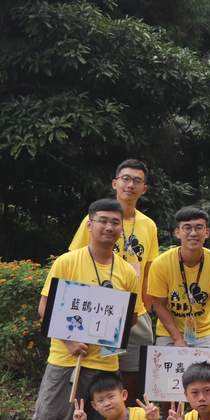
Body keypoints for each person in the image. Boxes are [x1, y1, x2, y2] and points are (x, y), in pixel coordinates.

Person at [13, 199, 141, 420]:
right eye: (103, 221)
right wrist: (70, 340)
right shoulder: (67, 262)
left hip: (105, 364)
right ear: (89, 224)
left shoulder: (126, 271)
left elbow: (132, 319)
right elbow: (45, 308)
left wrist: (113, 332)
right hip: (66, 361)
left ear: (121, 230)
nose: (109, 227)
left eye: (115, 223)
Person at [68, 160, 157, 389]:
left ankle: (129, 419)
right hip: (98, 308)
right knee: (98, 372)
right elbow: (74, 263)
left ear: (144, 188)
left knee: (133, 372)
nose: (130, 185)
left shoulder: (149, 225)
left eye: (137, 181)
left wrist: (143, 305)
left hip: (133, 309)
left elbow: (148, 270)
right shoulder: (94, 220)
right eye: (126, 179)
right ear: (115, 183)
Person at [145, 207, 210, 347]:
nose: (193, 233)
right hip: (169, 331)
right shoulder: (160, 264)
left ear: (207, 232)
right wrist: (177, 338)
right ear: (177, 232)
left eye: (199, 228)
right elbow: (158, 305)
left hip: (205, 332)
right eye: (187, 228)